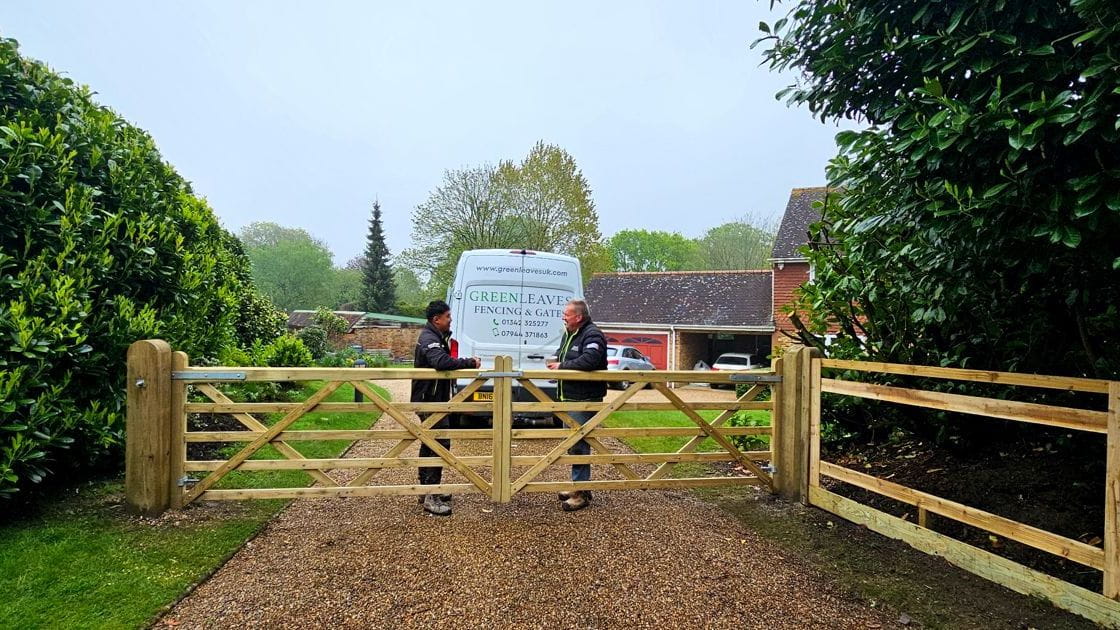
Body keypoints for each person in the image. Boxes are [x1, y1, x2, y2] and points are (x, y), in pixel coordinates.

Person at [412, 300, 480, 516]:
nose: (450, 320)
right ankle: (431, 496)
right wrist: (469, 363)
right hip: (429, 400)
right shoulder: (429, 338)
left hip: (434, 398)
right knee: (439, 443)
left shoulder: (437, 336)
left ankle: (427, 490)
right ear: (437, 319)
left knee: (431, 443)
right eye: (448, 316)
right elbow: (440, 361)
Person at [546, 299, 607, 512]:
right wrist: (556, 362)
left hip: (584, 398)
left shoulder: (592, 334)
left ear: (578, 317)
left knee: (579, 443)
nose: (563, 317)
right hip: (569, 396)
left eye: (567, 314)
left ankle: (581, 493)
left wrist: (562, 366)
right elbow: (564, 355)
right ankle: (579, 485)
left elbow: (589, 361)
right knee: (572, 443)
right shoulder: (570, 333)